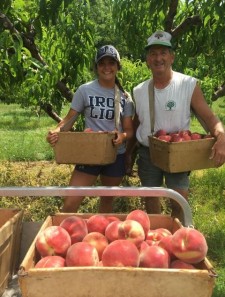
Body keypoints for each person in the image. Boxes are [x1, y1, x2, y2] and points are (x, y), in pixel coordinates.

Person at [126, 30, 225, 218]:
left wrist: (221, 136)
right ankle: (157, 236)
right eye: (153, 54)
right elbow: (138, 122)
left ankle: (178, 235)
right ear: (147, 60)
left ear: (172, 57)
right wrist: (128, 153)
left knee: (179, 200)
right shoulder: (139, 90)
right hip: (149, 152)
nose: (158, 58)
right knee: (151, 200)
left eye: (163, 53)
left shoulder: (188, 84)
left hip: (179, 151)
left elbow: (209, 117)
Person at [47, 45, 134, 213]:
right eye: (102, 63)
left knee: (107, 203)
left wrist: (122, 137)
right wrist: (57, 132)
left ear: (117, 67)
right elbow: (69, 119)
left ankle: (101, 237)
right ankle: (61, 234)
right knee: (71, 201)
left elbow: (129, 130)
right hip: (89, 152)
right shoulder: (85, 90)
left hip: (116, 155)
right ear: (96, 67)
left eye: (111, 63)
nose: (107, 68)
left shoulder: (125, 97)